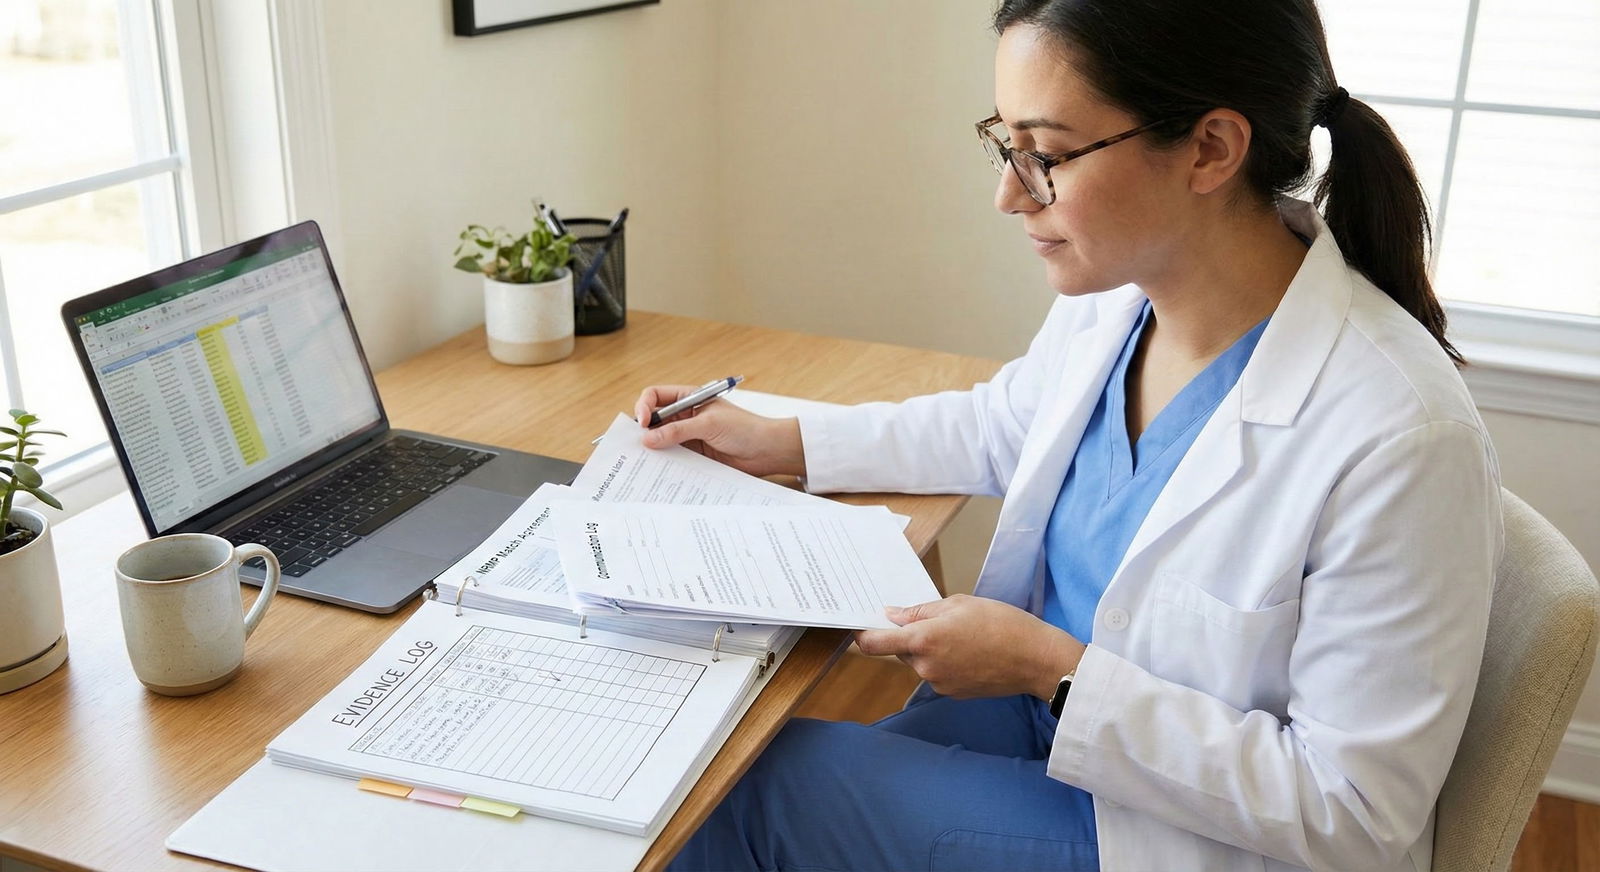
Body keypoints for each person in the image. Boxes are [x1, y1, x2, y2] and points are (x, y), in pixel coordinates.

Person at [646, 1, 1502, 869]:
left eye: (1047, 156)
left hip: (1184, 834)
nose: (1009, 193)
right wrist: (779, 440)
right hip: (1051, 723)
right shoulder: (1128, 300)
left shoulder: (1403, 435)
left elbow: (1352, 812)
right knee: (754, 759)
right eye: (1006, 145)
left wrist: (1051, 668)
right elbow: (999, 423)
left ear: (1210, 148)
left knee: (751, 786)